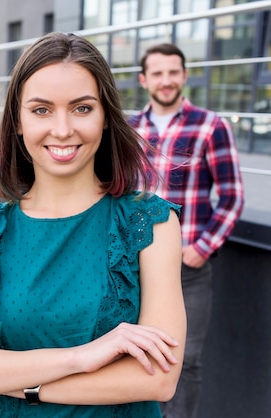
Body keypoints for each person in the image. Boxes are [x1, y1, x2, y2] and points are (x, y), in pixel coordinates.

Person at [0, 32, 187, 417]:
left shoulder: (149, 223)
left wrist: (2, 373)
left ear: (106, 117)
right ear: (17, 122)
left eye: (81, 108)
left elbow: (158, 378)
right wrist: (84, 357)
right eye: (41, 110)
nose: (62, 129)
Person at [128, 43, 244, 418]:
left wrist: (203, 247)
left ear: (184, 75)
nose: (166, 81)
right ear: (145, 79)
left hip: (188, 269)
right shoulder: (129, 130)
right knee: (134, 356)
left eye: (173, 72)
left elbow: (232, 196)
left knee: (185, 362)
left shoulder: (211, 126)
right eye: (158, 73)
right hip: (135, 266)